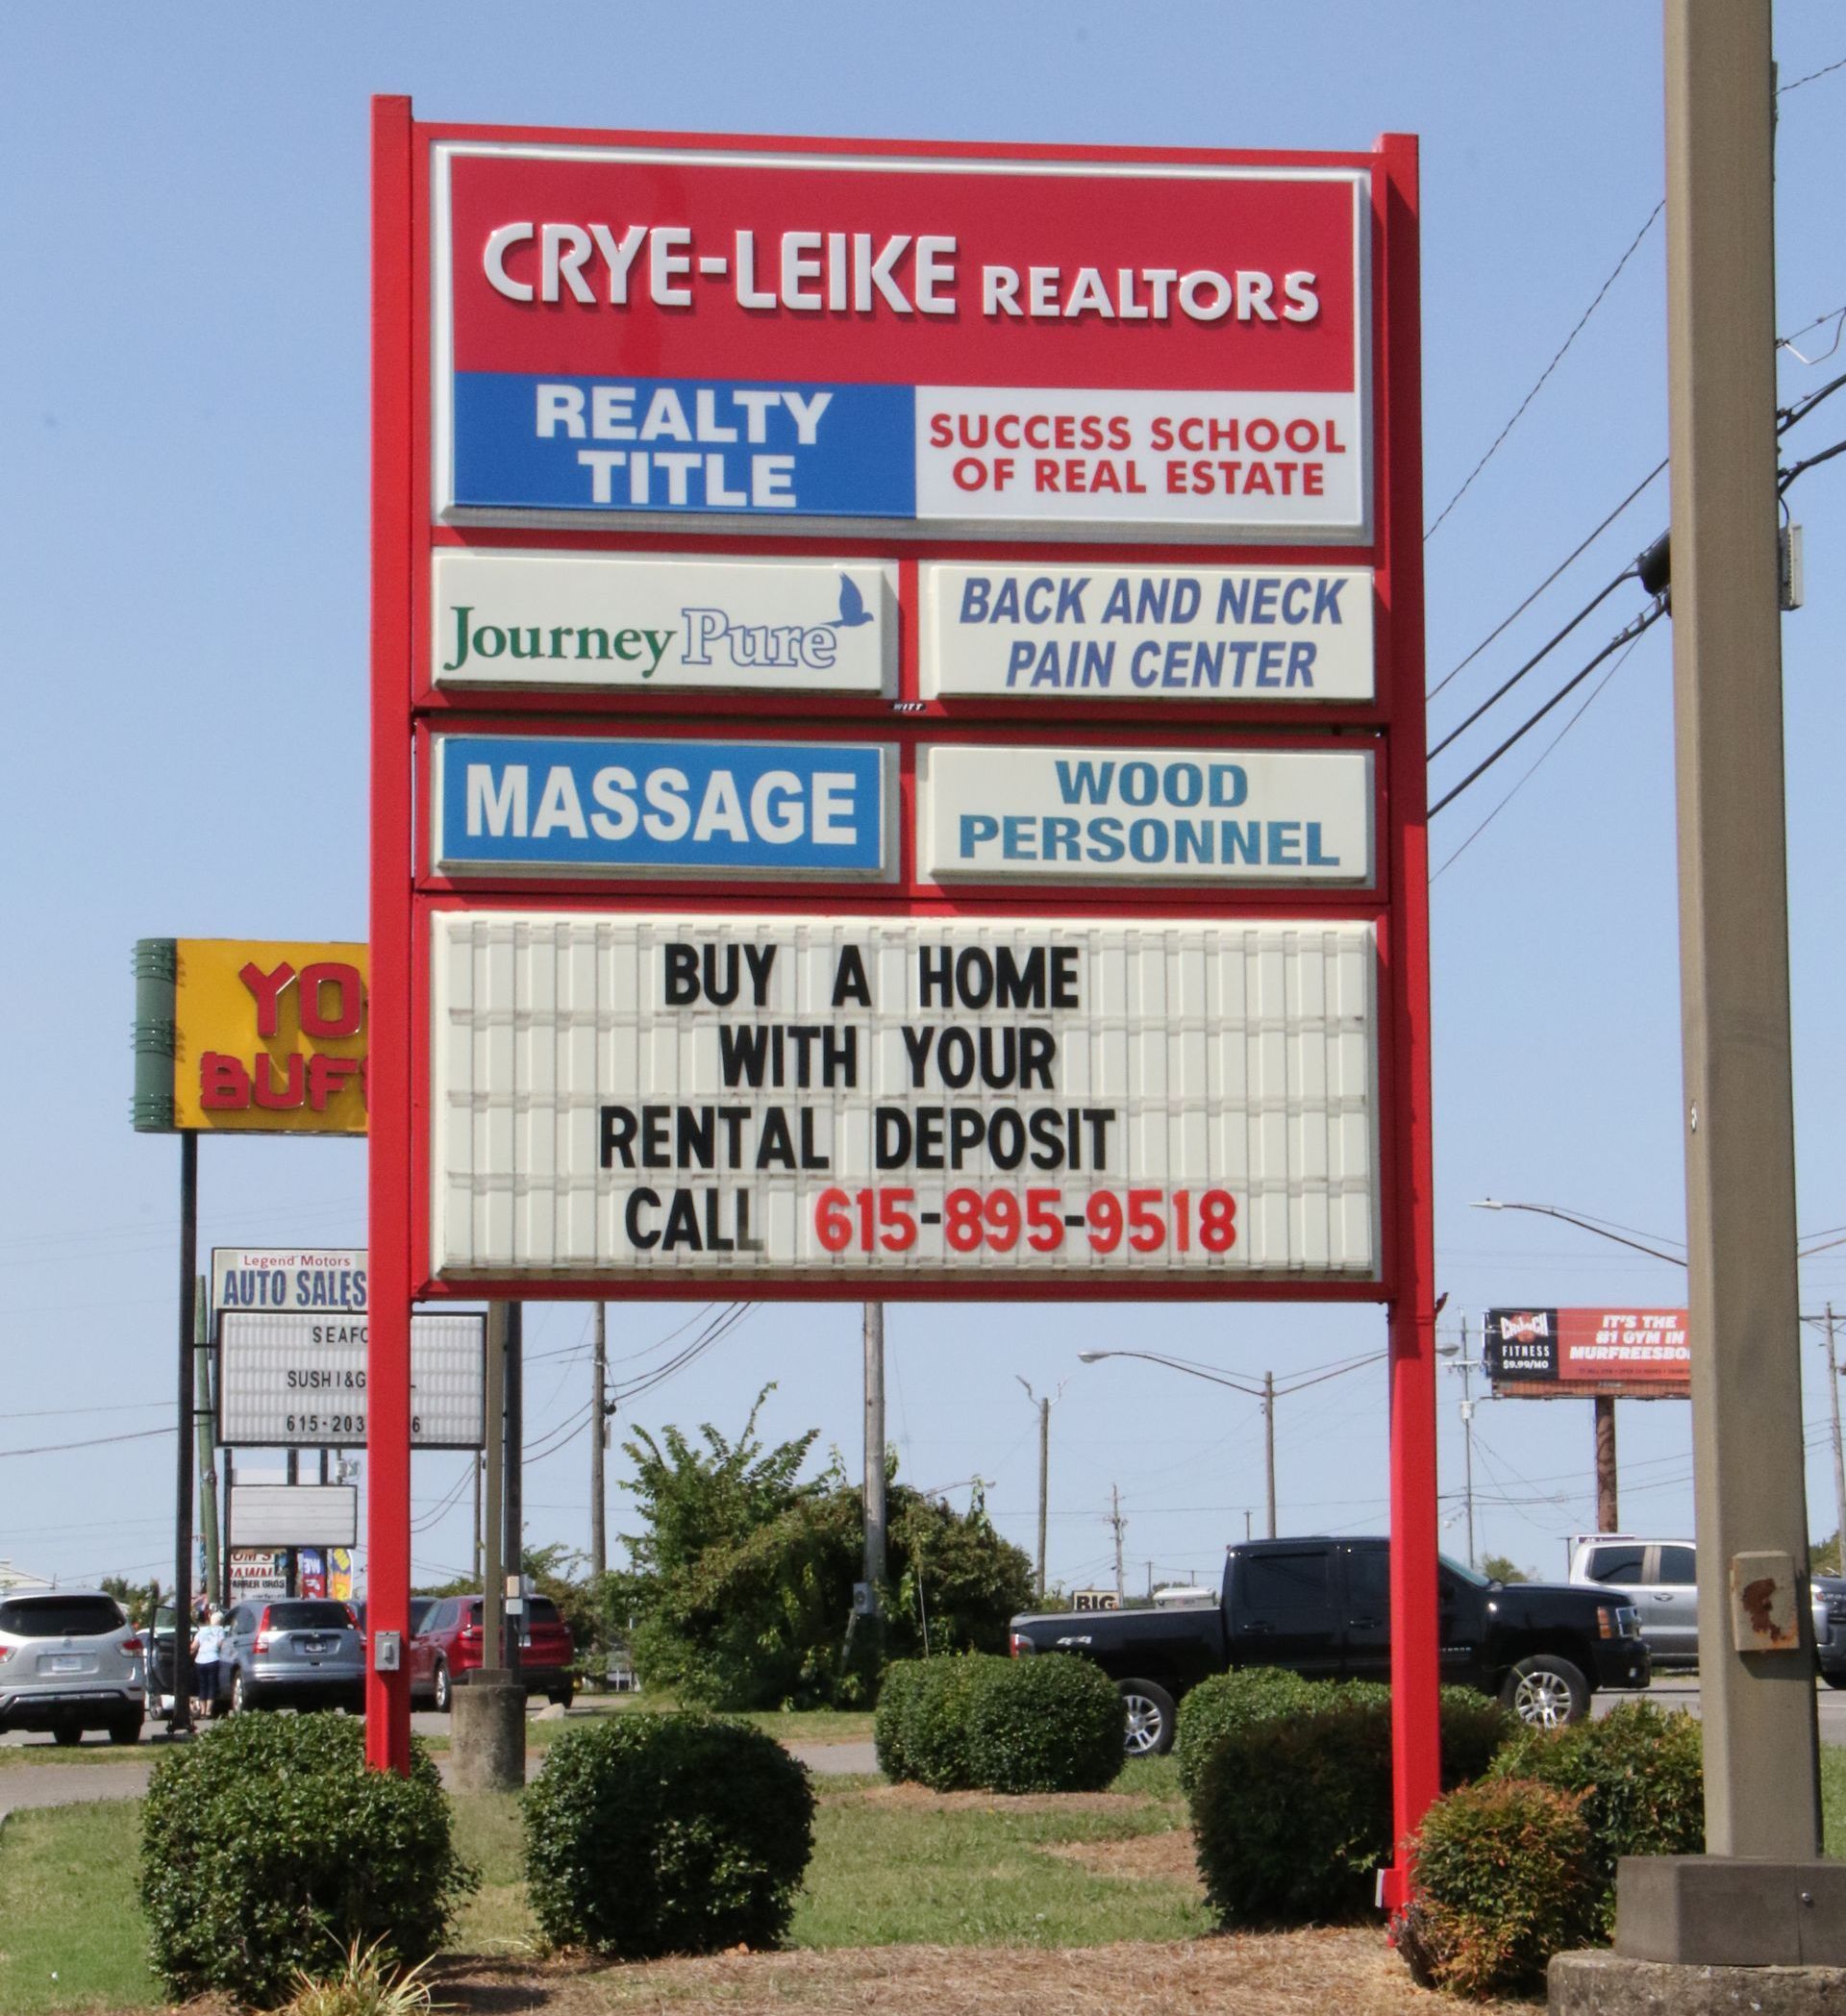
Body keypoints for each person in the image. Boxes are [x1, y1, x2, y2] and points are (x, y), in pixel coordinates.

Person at [190, 1608, 227, 1718]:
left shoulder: (202, 1631)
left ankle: (202, 1711)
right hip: (213, 1659)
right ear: (221, 1621)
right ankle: (208, 1711)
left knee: (202, 1686)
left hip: (200, 1660)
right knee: (211, 1685)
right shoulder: (221, 1630)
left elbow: (193, 1647)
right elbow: (221, 1644)